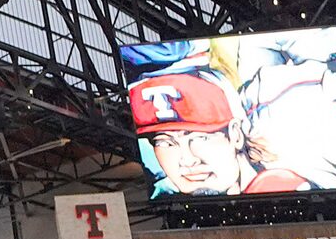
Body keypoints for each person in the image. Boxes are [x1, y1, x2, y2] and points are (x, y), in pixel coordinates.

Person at [129, 71, 304, 195]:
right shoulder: (165, 194)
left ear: (235, 134)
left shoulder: (280, 186)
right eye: (166, 142)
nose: (188, 160)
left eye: (200, 137)